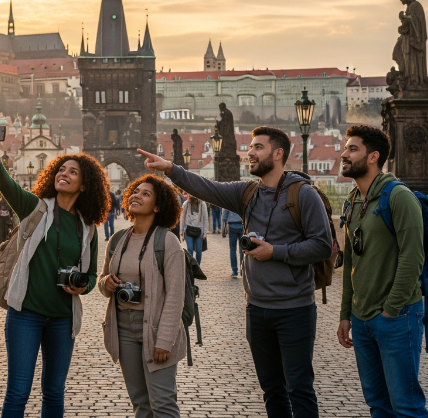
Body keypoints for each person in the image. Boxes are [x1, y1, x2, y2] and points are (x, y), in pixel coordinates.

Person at [139, 125, 333, 418]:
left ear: (278, 154)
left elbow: (322, 245)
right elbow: (207, 187)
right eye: (250, 147)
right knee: (271, 389)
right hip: (256, 309)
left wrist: (275, 251)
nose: (250, 153)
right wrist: (170, 169)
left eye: (258, 148)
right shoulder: (248, 192)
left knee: (300, 388)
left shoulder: (303, 195)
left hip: (294, 308)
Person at [0, 127, 112, 418]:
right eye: (61, 169)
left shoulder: (87, 227)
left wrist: (82, 287)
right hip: (26, 314)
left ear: (85, 184)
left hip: (63, 319)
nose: (64, 173)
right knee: (18, 391)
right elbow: (6, 184)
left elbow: (90, 275)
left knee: (54, 392)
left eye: (73, 172)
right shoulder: (35, 208)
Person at [336, 125, 428, 417]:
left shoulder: (399, 197)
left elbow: (413, 258)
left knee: (406, 407)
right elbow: (351, 261)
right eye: (345, 148)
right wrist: (345, 314)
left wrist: (390, 310)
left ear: (373, 156)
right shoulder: (353, 200)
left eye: (352, 149)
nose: (344, 154)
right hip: (362, 320)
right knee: (378, 404)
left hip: (397, 317)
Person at [99, 174, 186, 418]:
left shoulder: (167, 241)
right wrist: (107, 283)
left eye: (145, 194)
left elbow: (175, 295)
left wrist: (165, 339)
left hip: (157, 328)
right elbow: (103, 282)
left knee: (163, 404)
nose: (137, 195)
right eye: (135, 191)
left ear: (158, 206)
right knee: (140, 403)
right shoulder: (118, 239)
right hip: (124, 328)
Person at [180, 195, 208, 264]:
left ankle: (197, 267)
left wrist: (205, 232)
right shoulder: (186, 204)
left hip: (199, 230)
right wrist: (181, 230)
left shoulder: (202, 204)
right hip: (188, 229)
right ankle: (191, 267)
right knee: (190, 250)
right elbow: (182, 217)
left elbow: (205, 218)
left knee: (199, 250)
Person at [222, 208, 245, 278]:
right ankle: (242, 269)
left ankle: (234, 271)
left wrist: (223, 230)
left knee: (232, 249)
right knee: (242, 249)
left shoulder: (229, 198)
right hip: (242, 224)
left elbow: (224, 216)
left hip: (231, 224)